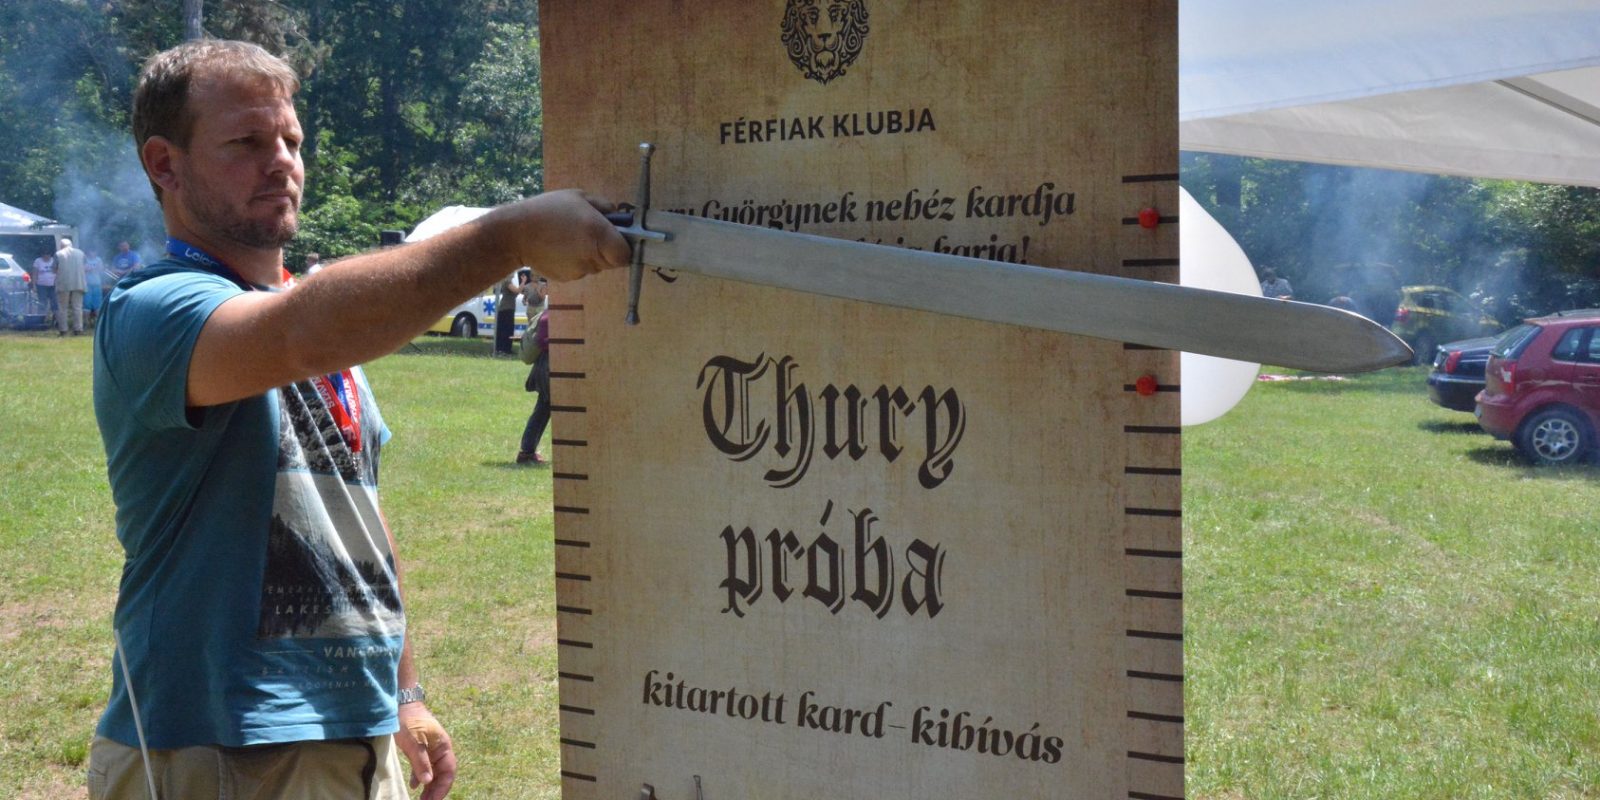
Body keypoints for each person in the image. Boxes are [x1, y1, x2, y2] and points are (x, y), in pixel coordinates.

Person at [89, 39, 627, 800]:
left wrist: (404, 693)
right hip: (221, 745)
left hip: (354, 732)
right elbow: (301, 332)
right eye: (247, 142)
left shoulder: (322, 329)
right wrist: (508, 236)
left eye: (291, 140)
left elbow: (356, 517)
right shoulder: (153, 309)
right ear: (164, 164)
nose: (281, 162)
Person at [517, 276, 551, 466]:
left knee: (543, 409)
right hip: (549, 366)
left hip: (546, 366)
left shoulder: (549, 313)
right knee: (542, 409)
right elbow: (542, 341)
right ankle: (526, 452)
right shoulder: (551, 316)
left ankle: (527, 451)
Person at [53, 237, 88, 336]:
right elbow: (85, 267)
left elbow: (54, 269)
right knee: (77, 307)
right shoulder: (81, 253)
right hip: (79, 282)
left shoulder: (58, 254)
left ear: (61, 246)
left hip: (64, 283)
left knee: (62, 308)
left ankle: (63, 330)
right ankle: (78, 329)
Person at [493, 270, 521, 355]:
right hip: (505, 308)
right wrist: (523, 282)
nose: (513, 273)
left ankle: (507, 349)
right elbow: (516, 291)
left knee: (509, 329)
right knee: (505, 330)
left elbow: (517, 291)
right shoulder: (507, 281)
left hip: (510, 308)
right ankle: (502, 349)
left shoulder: (510, 282)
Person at [32, 250, 57, 319]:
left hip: (53, 285)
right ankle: (41, 319)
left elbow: (58, 272)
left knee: (54, 303)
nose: (46, 256)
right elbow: (34, 274)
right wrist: (34, 285)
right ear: (42, 255)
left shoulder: (54, 261)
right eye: (44, 254)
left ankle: (55, 319)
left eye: (48, 254)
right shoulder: (38, 261)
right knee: (42, 303)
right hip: (41, 286)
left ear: (50, 255)